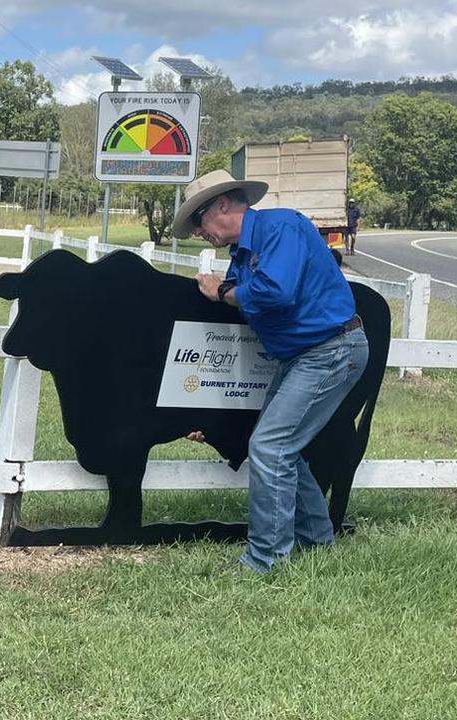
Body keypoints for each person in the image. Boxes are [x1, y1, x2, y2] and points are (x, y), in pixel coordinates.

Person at [171, 170, 369, 574]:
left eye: (198, 219)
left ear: (223, 205)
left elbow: (276, 293)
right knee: (282, 449)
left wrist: (223, 291)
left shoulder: (281, 227)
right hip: (304, 355)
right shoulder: (244, 254)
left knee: (270, 446)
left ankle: (266, 560)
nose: (197, 231)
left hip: (330, 350)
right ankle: (316, 541)